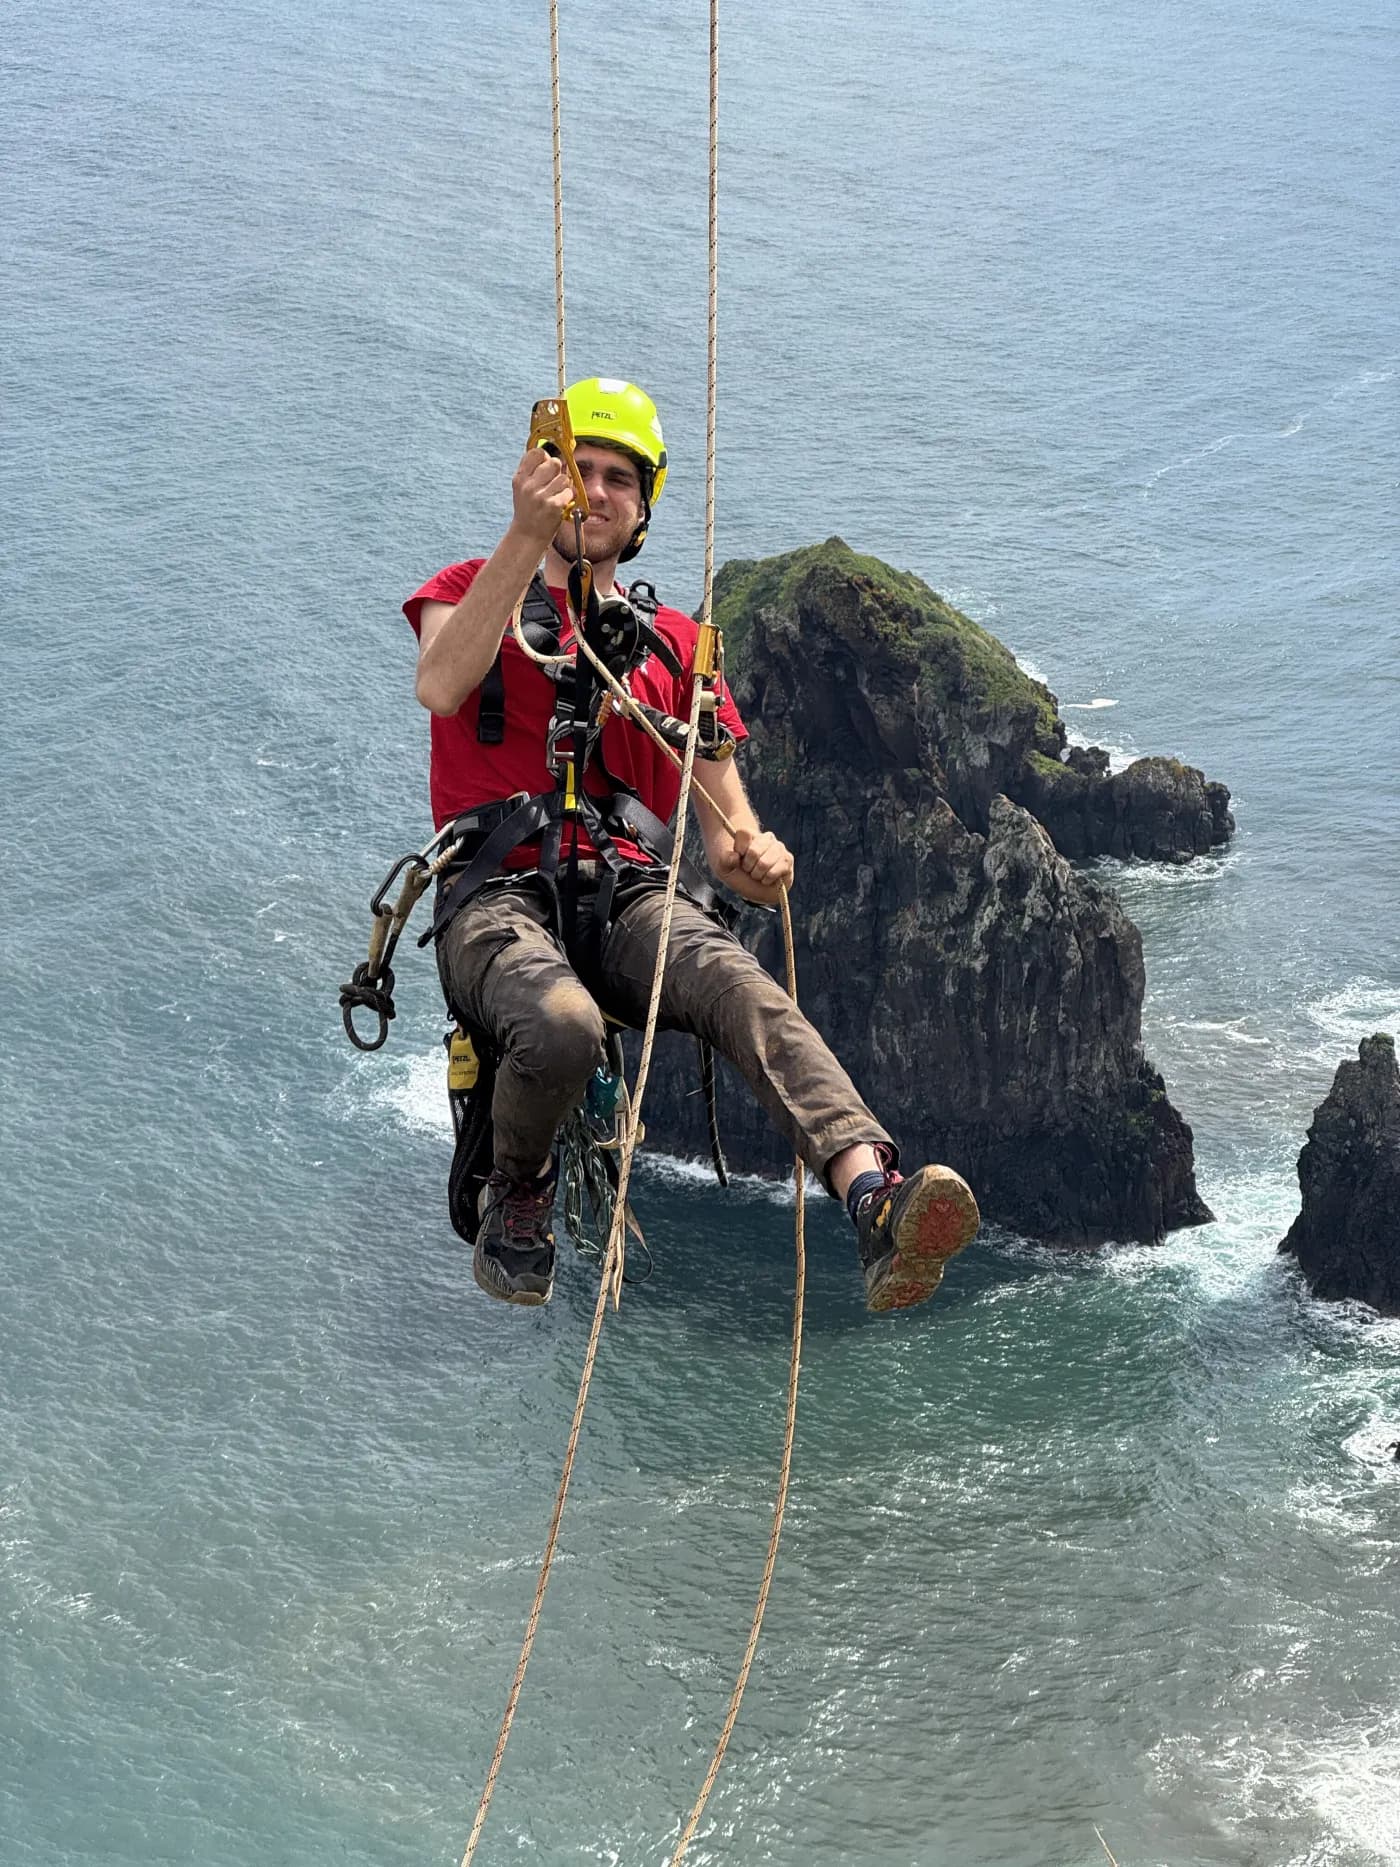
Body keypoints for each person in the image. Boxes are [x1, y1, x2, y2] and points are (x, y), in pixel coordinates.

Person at [404, 376, 980, 1312]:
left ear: (642, 508)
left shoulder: (676, 647)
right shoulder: (470, 591)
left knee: (744, 991)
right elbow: (440, 683)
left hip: (626, 892)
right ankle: (516, 1192)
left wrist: (762, 860)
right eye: (574, 471)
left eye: (616, 479)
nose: (592, 492)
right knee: (561, 1022)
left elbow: (727, 835)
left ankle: (875, 1198)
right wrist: (521, 536)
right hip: (494, 897)